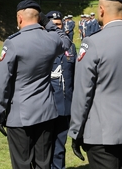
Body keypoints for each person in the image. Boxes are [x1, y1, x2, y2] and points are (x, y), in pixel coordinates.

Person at [0, 0, 71, 169]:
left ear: (19, 18)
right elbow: (66, 41)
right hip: (47, 112)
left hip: (20, 115)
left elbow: (2, 83)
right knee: (43, 163)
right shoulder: (51, 39)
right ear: (39, 18)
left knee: (22, 164)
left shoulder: (13, 42)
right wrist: (49, 24)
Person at [68, 0, 122, 169]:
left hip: (103, 134)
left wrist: (76, 131)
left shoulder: (93, 42)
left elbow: (82, 93)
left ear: (101, 10)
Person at [46, 11, 77, 169]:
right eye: (54, 25)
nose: (58, 28)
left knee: (59, 147)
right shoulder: (41, 45)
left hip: (64, 105)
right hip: (45, 105)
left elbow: (76, 76)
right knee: (44, 147)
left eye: (60, 25)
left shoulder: (70, 47)